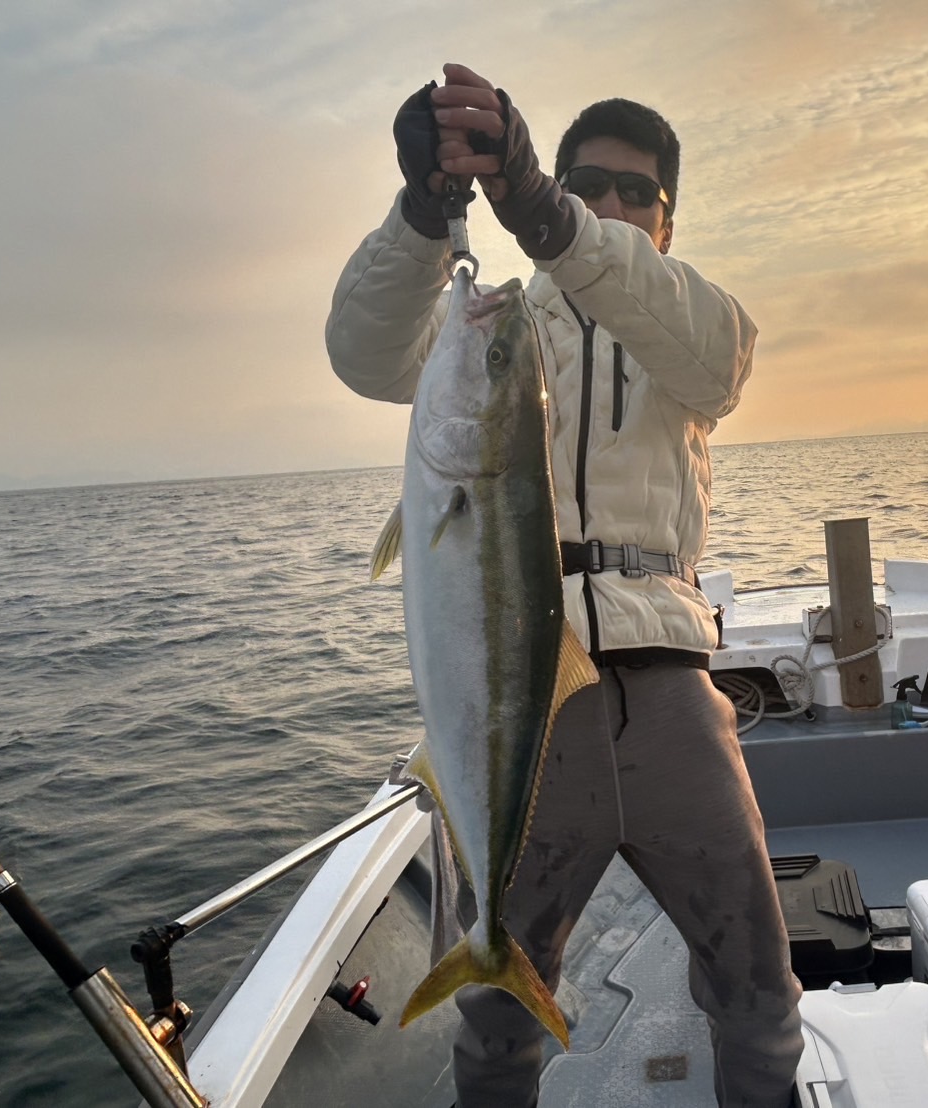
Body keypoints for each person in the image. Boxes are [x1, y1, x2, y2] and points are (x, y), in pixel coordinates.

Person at [325, 62, 803, 1108]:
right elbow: (364, 355)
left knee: (760, 986)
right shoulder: (495, 328)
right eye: (588, 183)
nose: (612, 205)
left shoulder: (689, 325)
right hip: (528, 701)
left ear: (667, 220)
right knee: (498, 1016)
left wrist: (550, 213)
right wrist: (421, 217)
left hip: (672, 688)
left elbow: (718, 363)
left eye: (638, 192)